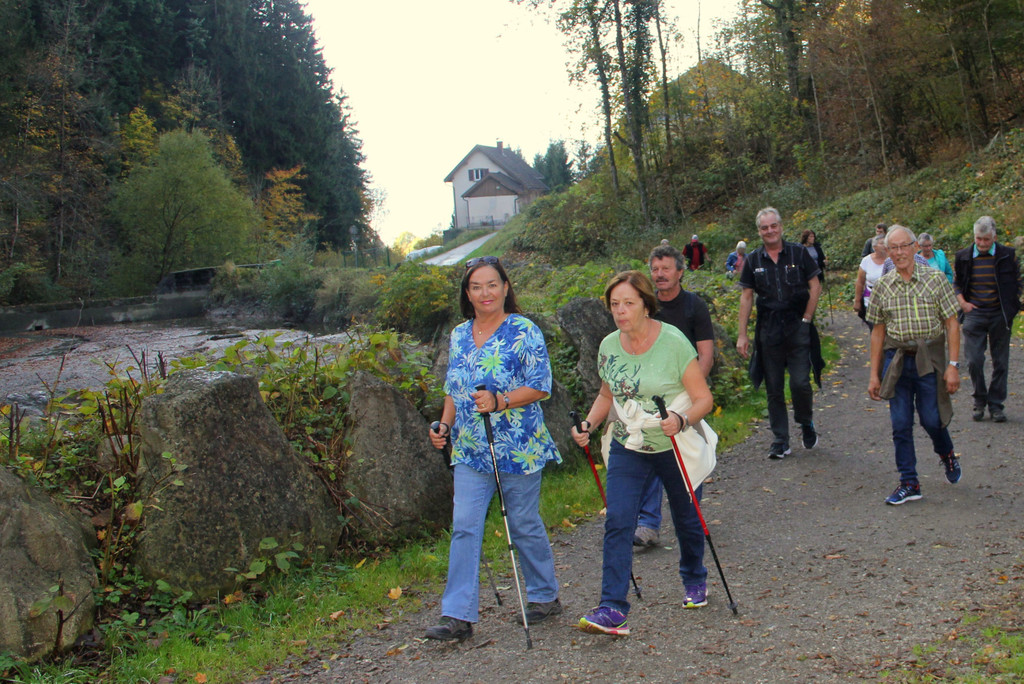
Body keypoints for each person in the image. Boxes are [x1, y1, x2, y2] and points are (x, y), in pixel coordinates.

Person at [425, 256, 562, 641]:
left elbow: (541, 386)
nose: (484, 293)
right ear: (467, 294)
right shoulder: (458, 334)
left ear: (505, 287)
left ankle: (544, 595)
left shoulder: (524, 330)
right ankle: (457, 616)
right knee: (464, 526)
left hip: (519, 446)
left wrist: (501, 401)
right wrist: (444, 425)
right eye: (476, 287)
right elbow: (454, 389)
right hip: (471, 448)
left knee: (522, 523)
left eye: (491, 285)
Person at [572, 270, 714, 636]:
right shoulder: (608, 346)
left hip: (672, 442)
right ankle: (612, 607)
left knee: (687, 518)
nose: (620, 311)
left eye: (628, 303)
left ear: (646, 305)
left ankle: (694, 577)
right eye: (614, 304)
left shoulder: (673, 342)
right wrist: (588, 424)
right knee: (618, 519)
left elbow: (703, 399)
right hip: (629, 443)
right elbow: (606, 394)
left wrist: (681, 419)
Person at [867, 225, 963, 505]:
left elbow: (952, 323)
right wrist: (874, 375)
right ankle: (909, 482)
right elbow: (877, 332)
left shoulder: (935, 279)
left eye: (903, 246)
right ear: (887, 252)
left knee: (932, 419)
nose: (899, 253)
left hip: (928, 359)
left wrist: (953, 365)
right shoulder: (883, 286)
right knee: (900, 424)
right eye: (893, 248)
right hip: (896, 359)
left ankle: (946, 453)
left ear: (914, 247)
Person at [632, 244, 715, 548]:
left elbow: (705, 354)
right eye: (655, 269)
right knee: (649, 455)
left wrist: (693, 393)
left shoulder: (695, 306)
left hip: (687, 395)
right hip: (648, 396)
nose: (660, 274)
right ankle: (647, 524)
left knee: (689, 457)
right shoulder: (645, 307)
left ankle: (690, 519)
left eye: (666, 268)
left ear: (680, 272)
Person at [737, 207, 824, 459]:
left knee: (800, 383)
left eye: (773, 226)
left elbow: (815, 285)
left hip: (797, 325)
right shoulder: (753, 260)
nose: (770, 231)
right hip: (769, 329)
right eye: (764, 228)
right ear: (759, 231)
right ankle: (780, 440)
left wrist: (807, 318)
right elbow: (746, 297)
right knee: (773, 387)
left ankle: (805, 421)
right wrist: (742, 334)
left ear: (781, 227)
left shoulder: (798, 252)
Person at [953, 216, 1022, 423]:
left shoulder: (1008, 255)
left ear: (994, 237)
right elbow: (957, 284)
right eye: (979, 239)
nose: (982, 244)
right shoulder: (963, 256)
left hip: (1000, 314)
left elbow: (1018, 281)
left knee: (1001, 362)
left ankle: (996, 404)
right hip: (974, 313)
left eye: (986, 239)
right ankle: (979, 400)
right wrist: (963, 303)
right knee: (974, 360)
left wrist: (1012, 305)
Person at [854, 236, 888, 329]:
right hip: (870, 299)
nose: (885, 245)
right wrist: (857, 301)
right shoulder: (866, 261)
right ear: (874, 247)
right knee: (874, 328)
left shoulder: (892, 259)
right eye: (882, 243)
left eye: (886, 243)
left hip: (889, 298)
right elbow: (860, 282)